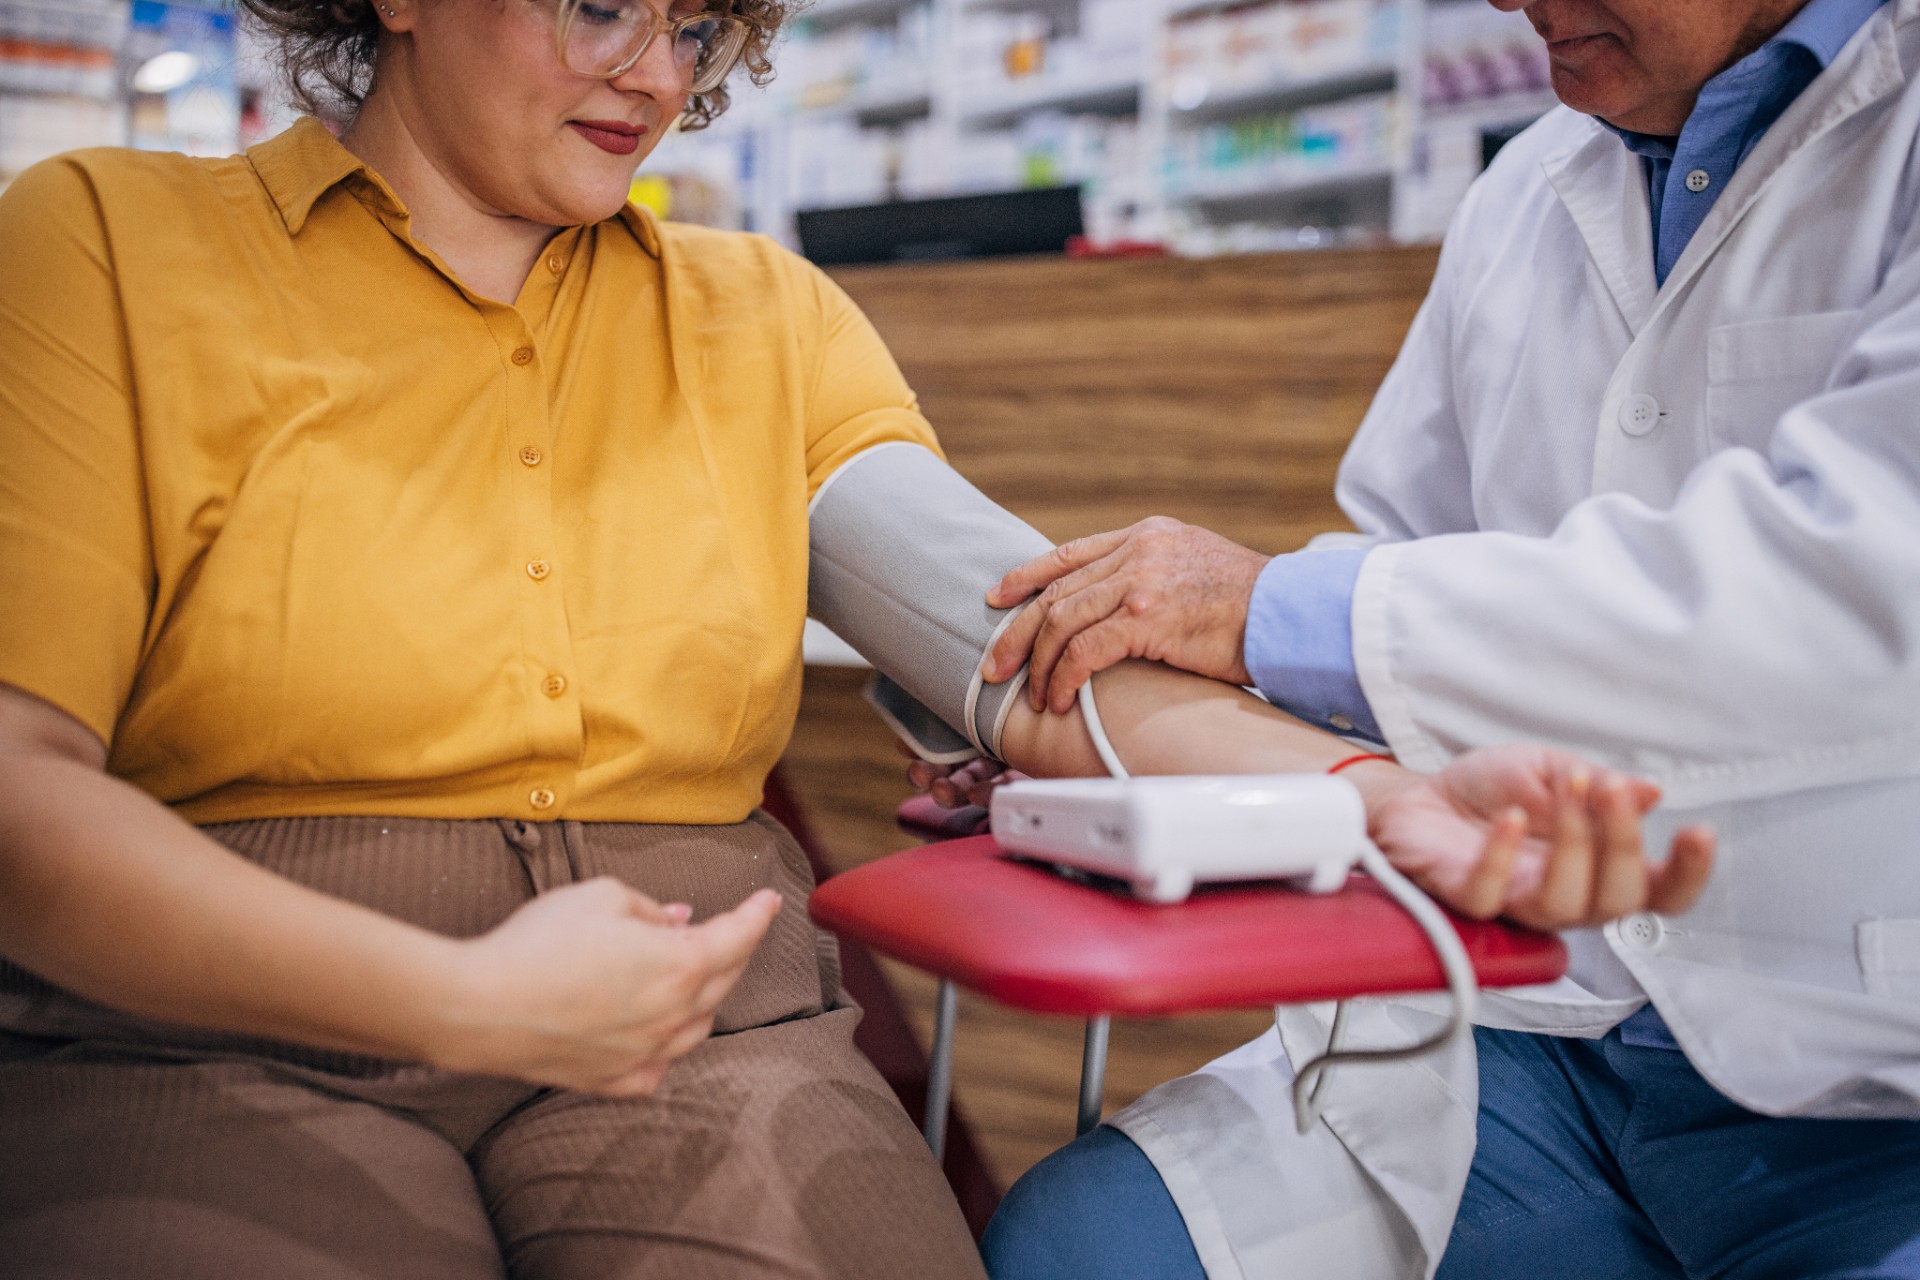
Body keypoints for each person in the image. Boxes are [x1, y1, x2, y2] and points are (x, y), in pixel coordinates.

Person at [0, 0, 1712, 1274]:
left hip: (700, 1036)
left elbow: (1030, 652)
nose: (657, 78)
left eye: (695, 27)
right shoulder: (105, 250)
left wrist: (1378, 795)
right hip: (215, 1031)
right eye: (603, 8)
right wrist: (452, 996)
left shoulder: (764, 322)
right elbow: (19, 802)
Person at [970, 0, 1920, 1276]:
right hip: (1523, 1033)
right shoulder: (1530, 182)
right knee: (1077, 1246)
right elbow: (1393, 607)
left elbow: (1857, 584)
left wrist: (1265, 608)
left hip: (1872, 1086)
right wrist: (1121, 752)